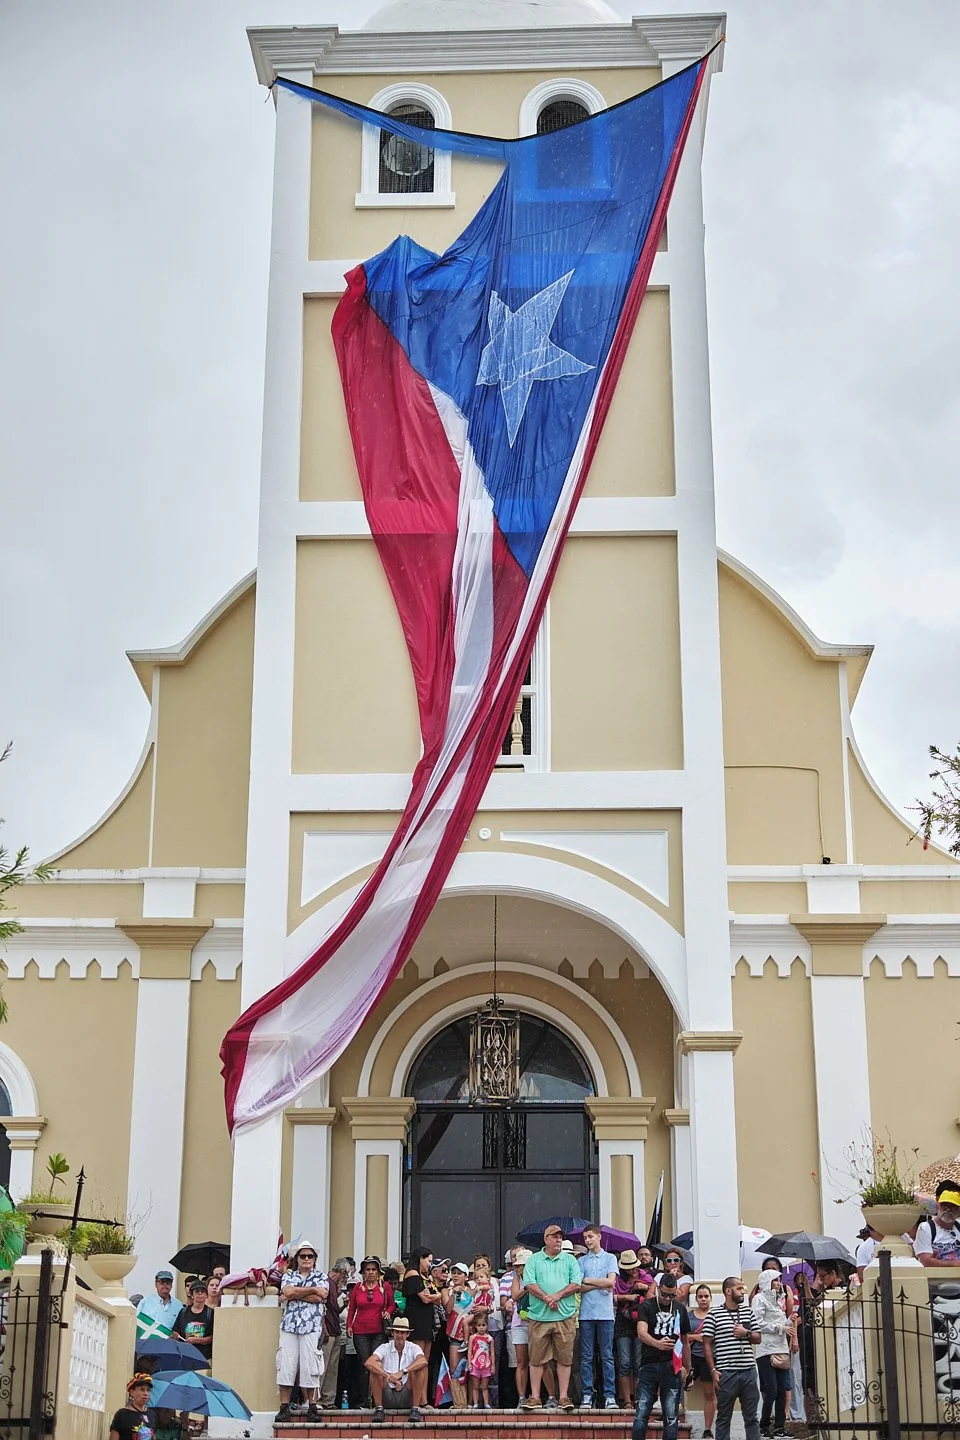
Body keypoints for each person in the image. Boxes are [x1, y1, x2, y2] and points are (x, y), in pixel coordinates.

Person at [520, 1223, 581, 1412]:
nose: (558, 1240)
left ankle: (563, 1397)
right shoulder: (533, 1260)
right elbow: (529, 1283)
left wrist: (556, 1296)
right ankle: (535, 1397)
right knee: (536, 1359)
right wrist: (547, 1298)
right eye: (554, 1237)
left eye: (560, 1237)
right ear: (545, 1239)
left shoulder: (570, 1260)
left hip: (565, 1316)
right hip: (539, 1316)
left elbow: (576, 1284)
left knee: (564, 1359)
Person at [700, 1276, 761, 1440]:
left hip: (748, 1371)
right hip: (726, 1373)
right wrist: (713, 1370)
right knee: (723, 1418)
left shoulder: (748, 1312)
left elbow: (757, 1337)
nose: (743, 1291)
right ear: (728, 1291)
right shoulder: (714, 1314)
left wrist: (745, 1333)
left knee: (752, 1418)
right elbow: (706, 1344)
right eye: (739, 1288)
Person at [632, 1270, 691, 1440]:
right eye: (664, 1294)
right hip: (649, 1363)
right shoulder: (647, 1306)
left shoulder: (679, 1308)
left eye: (671, 1295)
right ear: (658, 1289)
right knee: (642, 1412)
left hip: (672, 1365)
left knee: (671, 1416)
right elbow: (641, 1333)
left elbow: (685, 1341)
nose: (667, 1299)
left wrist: (688, 1369)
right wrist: (657, 1344)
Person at [275, 1241, 328, 1424]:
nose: (306, 1259)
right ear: (296, 1259)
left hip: (311, 1327)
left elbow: (321, 1296)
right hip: (290, 1325)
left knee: (310, 1366)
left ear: (315, 1259)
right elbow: (288, 1292)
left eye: (310, 1256)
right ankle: (284, 1406)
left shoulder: (321, 1276)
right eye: (303, 1256)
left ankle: (312, 1406)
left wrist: (297, 1294)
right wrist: (311, 1290)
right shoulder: (289, 1276)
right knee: (286, 1365)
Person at [577, 1223, 618, 1409]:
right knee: (586, 1356)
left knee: (607, 1355)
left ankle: (609, 1395)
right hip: (586, 1313)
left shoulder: (610, 1258)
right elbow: (579, 1286)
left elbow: (611, 1282)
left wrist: (589, 1280)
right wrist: (599, 1284)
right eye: (585, 1238)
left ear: (599, 1237)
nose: (588, 1240)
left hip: (606, 1314)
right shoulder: (581, 1261)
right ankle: (587, 1393)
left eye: (591, 1237)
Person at [347, 1256, 395, 1407]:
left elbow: (392, 1305)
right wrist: (349, 1325)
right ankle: (364, 1399)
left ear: (379, 1271)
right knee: (365, 1365)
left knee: (377, 1365)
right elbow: (352, 1308)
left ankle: (376, 1400)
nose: (370, 1272)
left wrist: (387, 1311)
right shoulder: (357, 1288)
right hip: (360, 1331)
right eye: (368, 1269)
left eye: (374, 1269)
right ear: (363, 1272)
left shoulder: (384, 1286)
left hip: (379, 1330)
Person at [365, 1315, 428, 1424]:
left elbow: (423, 1361)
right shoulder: (385, 1347)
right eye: (397, 1332)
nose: (399, 1335)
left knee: (419, 1370)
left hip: (407, 1394)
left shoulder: (413, 1347)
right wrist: (388, 1376)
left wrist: (402, 1372)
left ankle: (415, 1408)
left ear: (408, 1334)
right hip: (387, 1393)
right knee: (375, 1369)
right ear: (392, 1333)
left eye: (403, 1332)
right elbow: (369, 1362)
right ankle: (379, 1409)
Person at [753, 1270, 791, 1438]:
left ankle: (779, 1427)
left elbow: (781, 1323)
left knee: (782, 1390)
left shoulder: (777, 1301)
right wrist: (779, 1328)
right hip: (766, 1350)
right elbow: (757, 1323)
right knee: (772, 1390)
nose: (778, 1283)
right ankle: (764, 1425)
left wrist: (790, 1321)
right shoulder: (759, 1299)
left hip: (781, 1348)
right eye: (775, 1280)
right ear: (767, 1282)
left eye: (779, 1280)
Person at [614, 1251, 650, 1410]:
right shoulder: (618, 1281)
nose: (633, 1270)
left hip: (640, 1321)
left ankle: (638, 1397)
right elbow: (611, 1296)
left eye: (634, 1267)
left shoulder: (646, 1277)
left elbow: (653, 1296)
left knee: (638, 1362)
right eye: (629, 1268)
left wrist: (645, 1287)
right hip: (623, 1322)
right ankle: (627, 1400)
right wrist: (626, 1297)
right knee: (625, 1362)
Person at [320, 1258, 351, 1409]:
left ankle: (328, 1400)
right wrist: (324, 1328)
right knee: (323, 1366)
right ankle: (317, 1399)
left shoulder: (334, 1286)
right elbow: (322, 1308)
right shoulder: (325, 1282)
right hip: (327, 1329)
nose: (345, 1280)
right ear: (342, 1272)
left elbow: (333, 1310)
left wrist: (343, 1304)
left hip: (335, 1328)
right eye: (346, 1276)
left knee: (332, 1368)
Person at [402, 1249, 442, 1367]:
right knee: (417, 1357)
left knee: (426, 1358)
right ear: (420, 1258)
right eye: (428, 1261)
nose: (430, 1264)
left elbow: (437, 1301)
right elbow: (425, 1298)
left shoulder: (426, 1277)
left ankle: (423, 1385)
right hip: (417, 1319)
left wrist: (436, 1296)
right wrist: (437, 1295)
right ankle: (414, 1385)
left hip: (427, 1320)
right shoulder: (412, 1274)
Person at [687, 1283, 716, 1438]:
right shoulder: (689, 1316)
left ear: (711, 1298)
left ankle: (707, 1428)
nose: (703, 1299)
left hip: (709, 1358)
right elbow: (681, 1336)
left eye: (706, 1296)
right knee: (678, 1381)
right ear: (696, 1299)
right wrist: (695, 1337)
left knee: (709, 1393)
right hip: (691, 1357)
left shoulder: (716, 1315)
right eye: (700, 1297)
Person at [509, 1248, 534, 1407]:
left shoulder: (538, 1276)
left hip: (535, 1321)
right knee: (521, 1362)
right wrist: (527, 1287)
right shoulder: (517, 1278)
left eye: (522, 1265)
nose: (519, 1268)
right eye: (517, 1265)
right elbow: (514, 1296)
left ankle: (538, 1395)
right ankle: (521, 1397)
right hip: (519, 1322)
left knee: (538, 1362)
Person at [914, 1183, 960, 1266]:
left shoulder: (958, 1228)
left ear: (958, 1210)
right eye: (944, 1205)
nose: (948, 1209)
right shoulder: (925, 1228)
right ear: (938, 1206)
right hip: (937, 1278)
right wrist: (954, 1264)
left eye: (953, 1206)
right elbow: (926, 1261)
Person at [172, 1280, 215, 1361]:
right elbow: (176, 1331)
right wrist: (175, 1335)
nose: (200, 1294)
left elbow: (214, 1337)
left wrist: (198, 1340)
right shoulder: (183, 1312)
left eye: (202, 1291)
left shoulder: (211, 1313)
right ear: (192, 1295)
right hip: (185, 1356)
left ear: (206, 1295)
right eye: (197, 1291)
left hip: (204, 1358)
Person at [137, 1271, 180, 1339]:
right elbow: (136, 1323)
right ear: (156, 1284)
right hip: (149, 1344)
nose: (165, 1284)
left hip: (170, 1345)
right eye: (162, 1281)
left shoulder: (178, 1305)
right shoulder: (145, 1302)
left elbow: (180, 1327)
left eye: (168, 1282)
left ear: (171, 1285)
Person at [110, 1376, 155, 1440]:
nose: (146, 1393)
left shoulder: (152, 1414)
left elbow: (153, 1436)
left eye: (148, 1390)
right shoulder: (122, 1414)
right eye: (142, 1390)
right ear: (131, 1392)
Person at [468, 1309, 496, 1409]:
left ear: (487, 1325)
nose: (481, 1328)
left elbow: (492, 1352)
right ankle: (475, 1403)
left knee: (484, 1386)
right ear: (475, 1326)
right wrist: (470, 1363)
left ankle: (486, 1403)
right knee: (475, 1386)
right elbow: (470, 1351)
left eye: (483, 1325)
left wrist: (493, 1365)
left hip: (486, 1365)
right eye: (479, 1325)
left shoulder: (489, 1338)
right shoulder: (473, 1337)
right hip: (475, 1364)